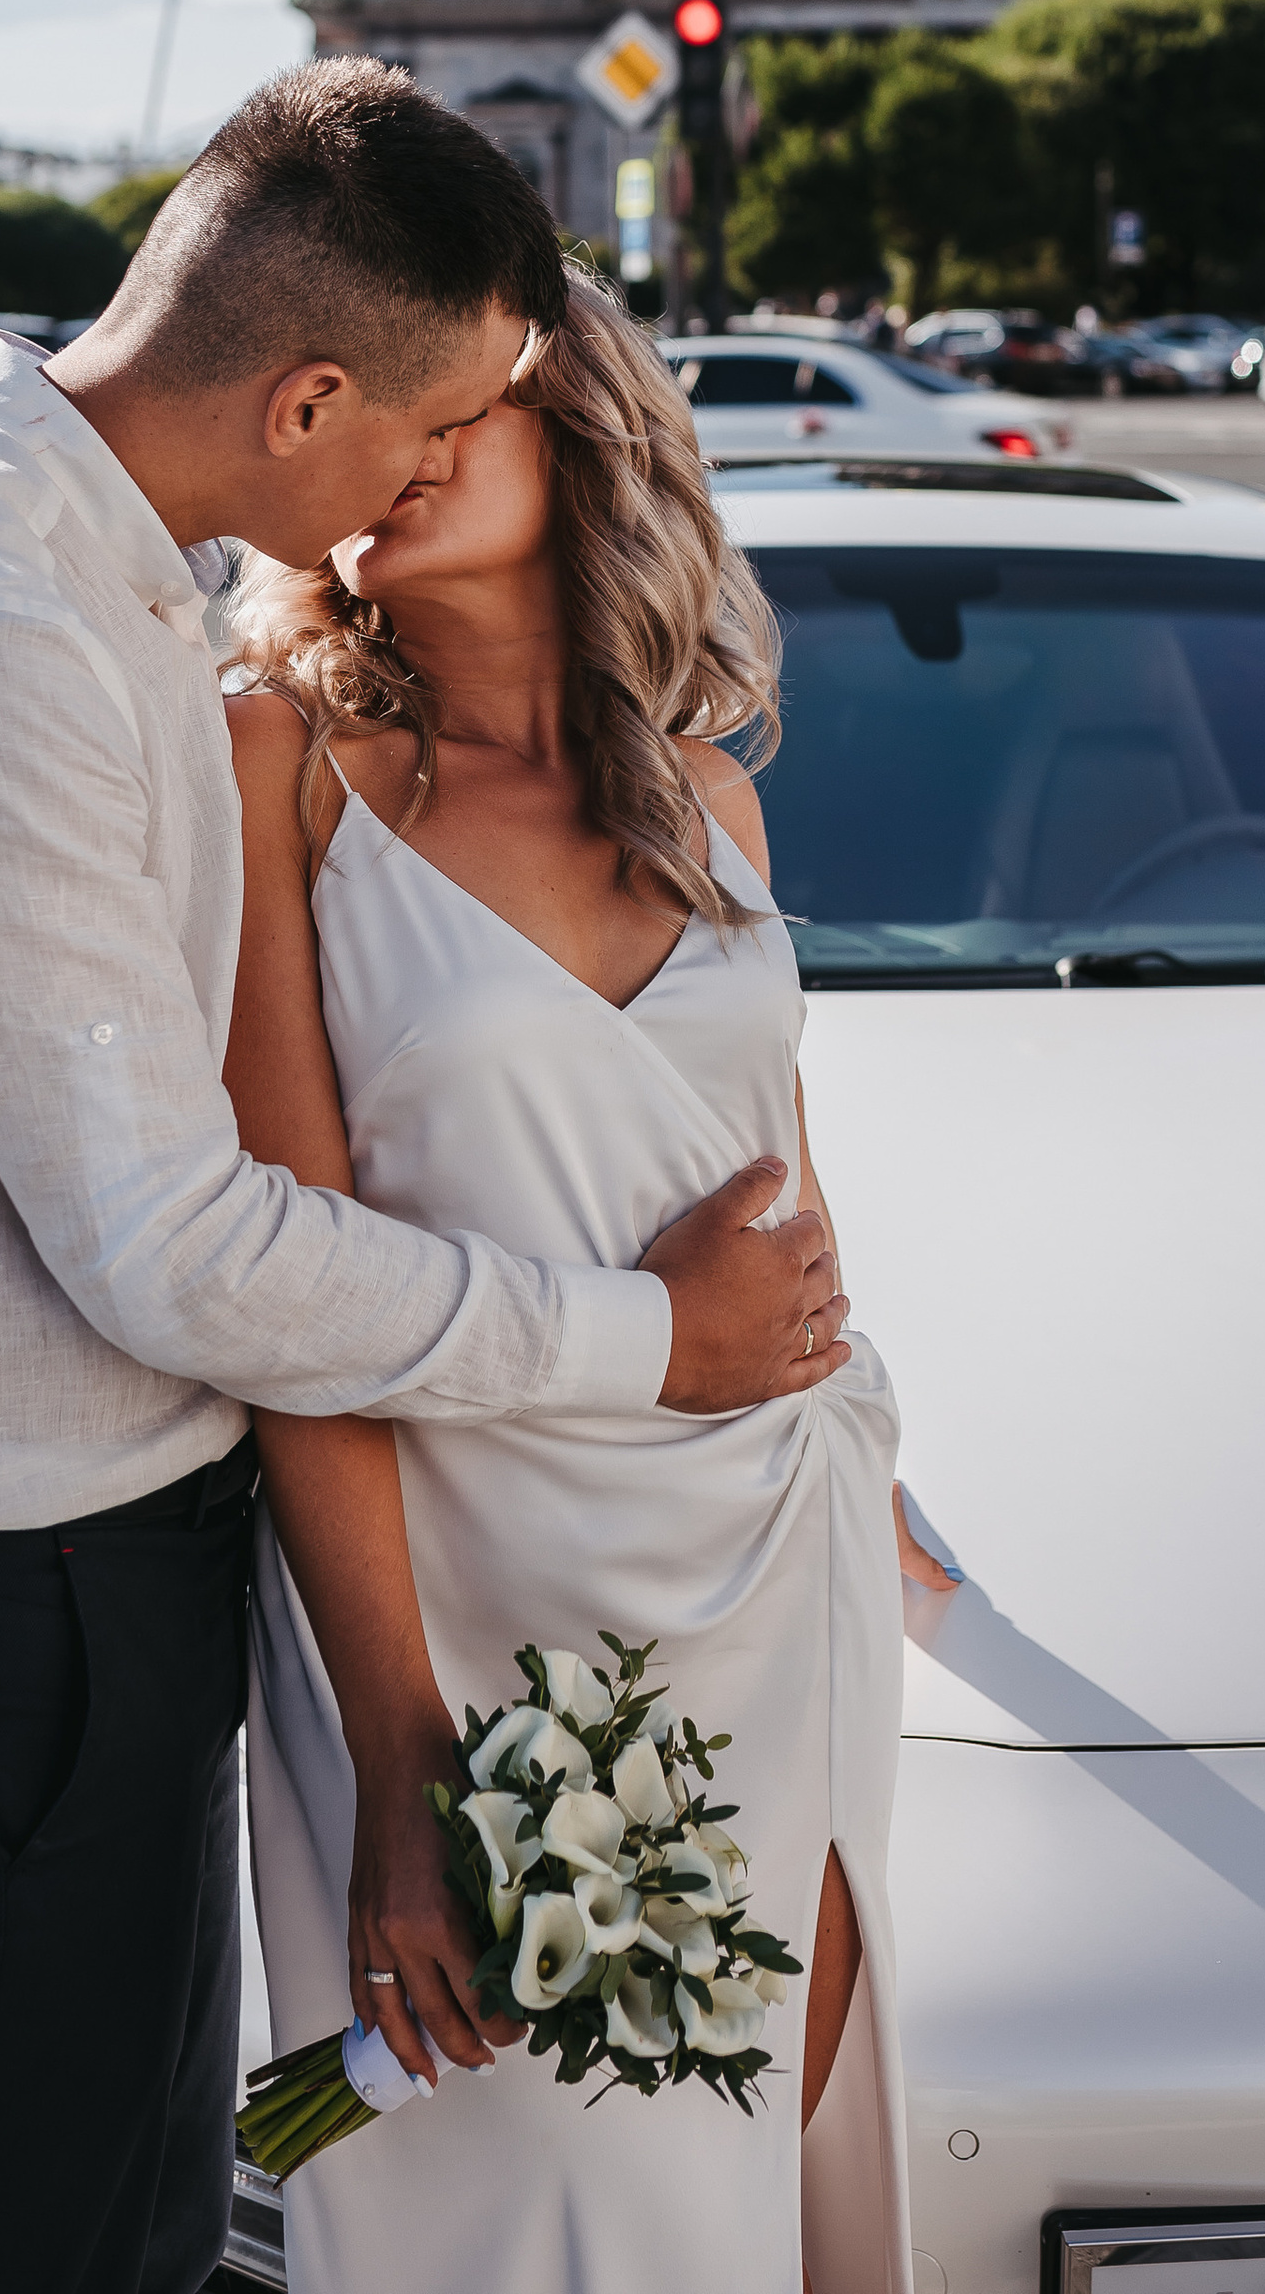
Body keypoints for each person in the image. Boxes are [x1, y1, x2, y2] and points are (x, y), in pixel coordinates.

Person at [0, 61, 849, 2294]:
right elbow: (178, 1249)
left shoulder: (99, 577)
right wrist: (651, 1345)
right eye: (437, 421)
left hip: (133, 1579)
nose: (427, 470)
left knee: (129, 2220)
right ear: (313, 400)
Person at [225, 273, 941, 2294]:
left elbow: (777, 1187)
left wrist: (869, 1454)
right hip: (468, 1606)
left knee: (758, 2137)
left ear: (589, 434)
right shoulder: (281, 771)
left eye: (451, 401)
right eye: (359, 402)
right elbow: (284, 1298)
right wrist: (397, 1762)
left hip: (772, 1568)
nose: (393, 443)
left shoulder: (706, 795)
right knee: (524, 2194)